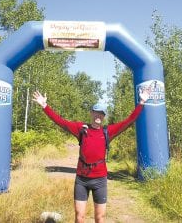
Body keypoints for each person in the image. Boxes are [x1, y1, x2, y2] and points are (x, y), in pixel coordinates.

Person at [32, 89, 150, 223]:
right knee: (79, 216)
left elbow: (129, 121)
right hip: (82, 179)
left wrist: (142, 101)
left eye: (101, 113)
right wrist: (44, 106)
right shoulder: (81, 129)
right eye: (96, 112)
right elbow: (61, 122)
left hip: (100, 180)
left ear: (104, 116)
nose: (98, 115)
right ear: (91, 113)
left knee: (100, 218)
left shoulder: (108, 132)